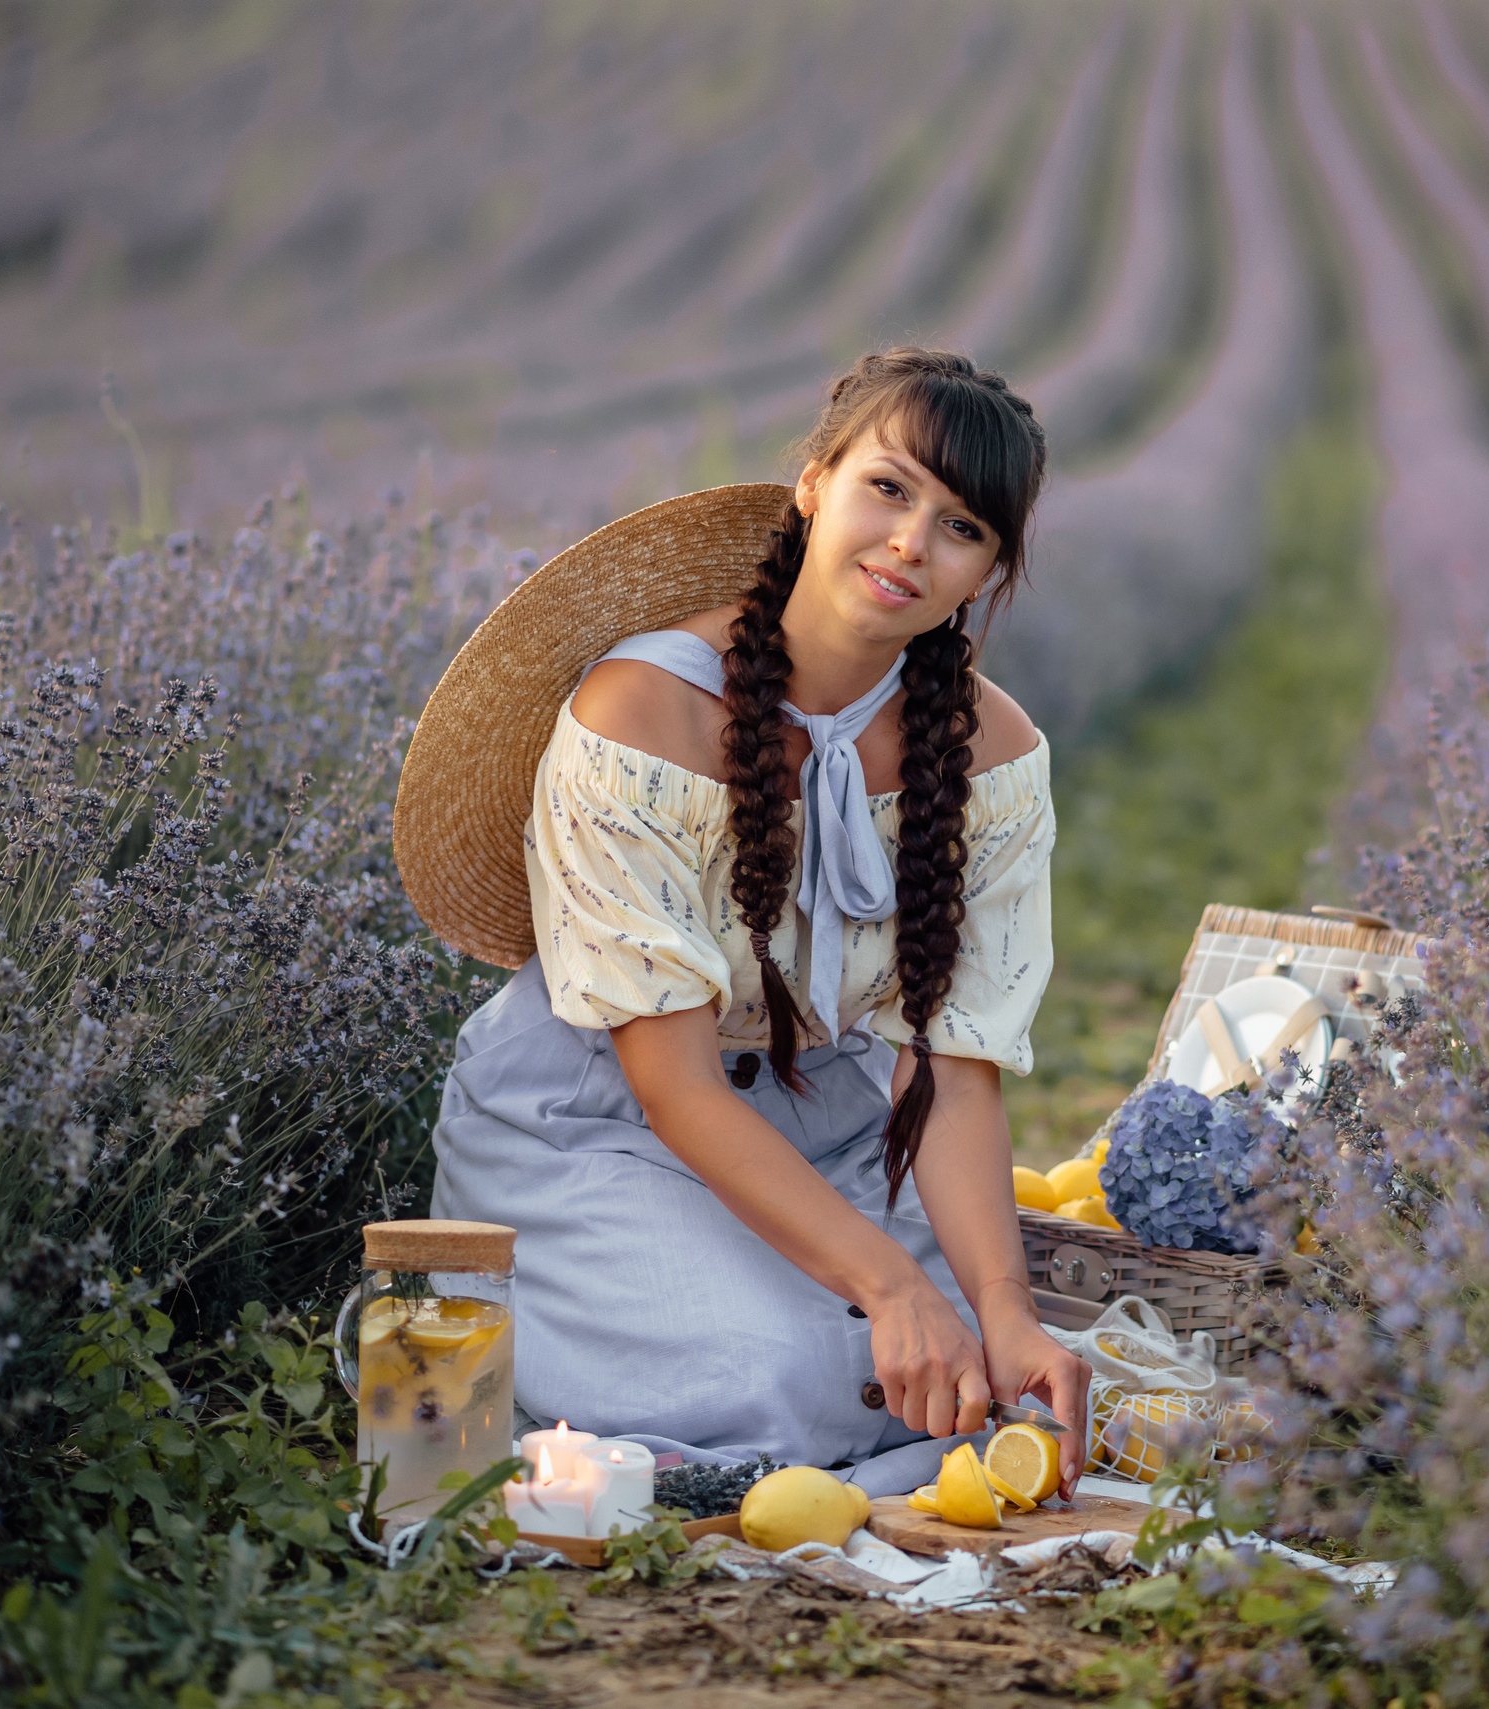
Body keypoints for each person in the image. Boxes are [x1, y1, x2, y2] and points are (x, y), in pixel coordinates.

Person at [395, 348, 1090, 1495]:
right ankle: (517, 1380)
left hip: (831, 1119)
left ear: (989, 571)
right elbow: (674, 1085)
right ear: (814, 483)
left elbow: (951, 1072)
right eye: (889, 488)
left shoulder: (996, 757)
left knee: (1002, 1362)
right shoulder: (643, 712)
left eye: (962, 526)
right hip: (599, 1122)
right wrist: (892, 1284)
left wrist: (1000, 1311)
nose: (913, 542)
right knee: (793, 1374)